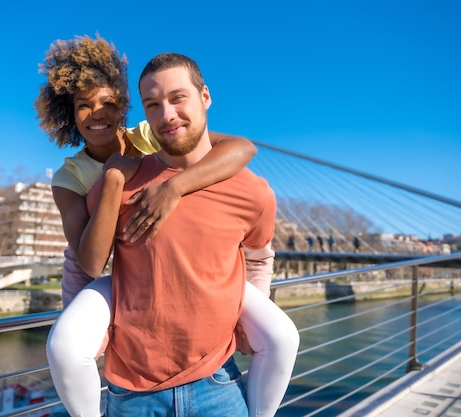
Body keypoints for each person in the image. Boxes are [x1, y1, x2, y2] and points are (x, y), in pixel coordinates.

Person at [38, 36, 298, 417]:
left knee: (283, 337)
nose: (167, 115)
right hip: (113, 281)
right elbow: (84, 261)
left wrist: (174, 186)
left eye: (108, 103)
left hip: (216, 380)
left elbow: (239, 148)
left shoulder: (147, 136)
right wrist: (113, 178)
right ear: (70, 113)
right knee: (65, 345)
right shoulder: (73, 177)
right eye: (83, 105)